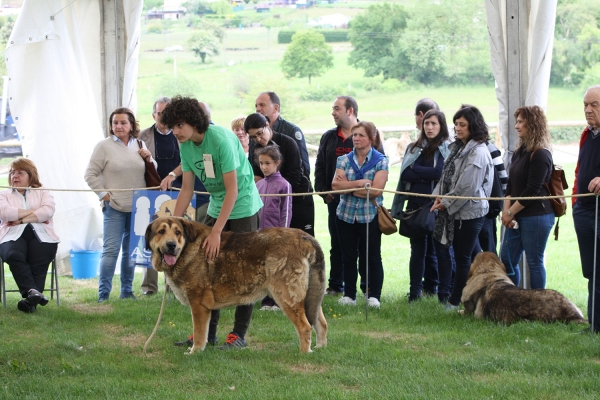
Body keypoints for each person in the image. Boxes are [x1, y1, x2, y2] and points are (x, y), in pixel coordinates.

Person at [161, 95, 262, 350]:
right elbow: (186, 189)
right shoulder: (185, 144)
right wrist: (174, 222)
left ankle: (238, 334)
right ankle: (207, 334)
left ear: (195, 121)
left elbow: (233, 191)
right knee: (206, 268)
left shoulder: (221, 139)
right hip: (218, 204)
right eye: (173, 126)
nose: (176, 132)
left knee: (244, 271)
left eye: (180, 125)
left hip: (243, 204)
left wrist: (215, 232)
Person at [139, 97, 210, 296]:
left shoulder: (184, 138)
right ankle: (149, 288)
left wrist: (172, 174)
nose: (162, 117)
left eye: (166, 113)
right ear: (154, 114)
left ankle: (176, 285)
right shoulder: (142, 136)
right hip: (151, 194)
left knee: (178, 241)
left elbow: (189, 166)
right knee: (156, 238)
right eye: (159, 113)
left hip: (181, 194)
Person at [85, 107, 156, 303]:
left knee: (131, 251)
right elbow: (89, 174)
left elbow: (152, 170)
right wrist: (104, 195)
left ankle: (126, 291)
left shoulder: (139, 144)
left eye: (123, 122)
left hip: (138, 208)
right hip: (114, 207)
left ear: (132, 125)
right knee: (111, 251)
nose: (118, 126)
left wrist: (148, 158)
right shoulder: (103, 146)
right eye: (115, 123)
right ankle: (103, 294)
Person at [431, 105, 493, 310]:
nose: (458, 128)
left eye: (462, 124)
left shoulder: (479, 152)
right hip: (455, 210)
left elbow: (468, 186)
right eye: (456, 124)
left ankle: (455, 300)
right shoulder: (456, 147)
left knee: (462, 257)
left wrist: (445, 203)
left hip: (471, 213)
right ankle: (479, 295)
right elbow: (445, 177)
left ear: (473, 126)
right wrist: (437, 197)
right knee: (474, 257)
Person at [393, 109, 454, 304]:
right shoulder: (413, 147)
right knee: (417, 251)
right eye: (426, 123)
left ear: (441, 126)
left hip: (438, 206)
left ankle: (444, 294)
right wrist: (422, 172)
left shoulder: (447, 148)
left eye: (433, 123)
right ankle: (414, 293)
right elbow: (406, 175)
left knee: (441, 251)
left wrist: (417, 170)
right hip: (415, 206)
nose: (429, 127)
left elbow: (439, 173)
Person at [332, 121, 389, 309]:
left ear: (371, 138)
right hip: (345, 215)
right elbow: (335, 186)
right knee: (348, 256)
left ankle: (373, 295)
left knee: (372, 256)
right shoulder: (344, 159)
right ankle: (349, 294)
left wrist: (349, 185)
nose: (356, 138)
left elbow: (376, 191)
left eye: (361, 135)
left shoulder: (381, 160)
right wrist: (362, 183)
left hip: (370, 215)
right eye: (354, 135)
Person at [499, 106, 555, 288]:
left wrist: (510, 212)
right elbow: (510, 186)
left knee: (534, 263)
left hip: (537, 216)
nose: (516, 126)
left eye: (521, 121)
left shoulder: (541, 154)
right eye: (517, 121)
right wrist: (507, 211)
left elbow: (532, 190)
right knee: (506, 260)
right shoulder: (519, 152)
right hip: (516, 215)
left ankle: (539, 308)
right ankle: (513, 302)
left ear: (533, 124)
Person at [0, 158, 59, 313]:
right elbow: (5, 213)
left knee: (39, 259)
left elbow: (48, 211)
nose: (15, 176)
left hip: (42, 234)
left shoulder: (43, 192)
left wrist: (20, 220)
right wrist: (36, 212)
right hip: (11, 235)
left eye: (20, 172)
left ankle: (30, 300)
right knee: (13, 254)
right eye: (12, 172)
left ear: (31, 175)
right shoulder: (4, 194)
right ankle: (33, 295)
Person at [315, 96, 358, 296]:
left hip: (360, 201)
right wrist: (324, 192)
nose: (333, 112)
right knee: (337, 244)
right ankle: (335, 285)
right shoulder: (329, 137)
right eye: (333, 109)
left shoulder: (367, 133)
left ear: (350, 111)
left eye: (337, 109)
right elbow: (321, 165)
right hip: (335, 201)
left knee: (363, 246)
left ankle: (367, 289)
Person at [244, 112, 315, 237]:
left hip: (298, 200)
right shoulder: (255, 148)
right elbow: (255, 176)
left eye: (260, 133)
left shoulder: (288, 143)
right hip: (271, 204)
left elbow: (295, 176)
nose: (258, 139)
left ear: (267, 125)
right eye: (253, 137)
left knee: (301, 243)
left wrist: (274, 184)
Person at [573, 85, 600, 333]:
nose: (588, 110)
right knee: (591, 271)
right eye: (585, 105)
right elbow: (579, 169)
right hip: (584, 209)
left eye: (594, 105)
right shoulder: (587, 134)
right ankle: (594, 324)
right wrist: (574, 202)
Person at [255, 145, 292, 311]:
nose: (264, 167)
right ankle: (266, 300)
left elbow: (286, 211)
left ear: (277, 163)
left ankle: (277, 301)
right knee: (263, 268)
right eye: (261, 163)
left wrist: (283, 235)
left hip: (276, 236)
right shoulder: (259, 185)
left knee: (277, 269)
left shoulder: (284, 185)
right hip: (260, 235)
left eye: (267, 163)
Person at [254, 91, 310, 175]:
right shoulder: (254, 134)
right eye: (256, 106)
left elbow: (303, 168)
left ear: (276, 108)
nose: (257, 109)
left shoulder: (291, 131)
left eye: (262, 105)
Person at [478, 141, 508, 254]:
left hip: (488, 209)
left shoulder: (489, 148)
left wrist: (502, 205)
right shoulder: (458, 147)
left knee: (489, 251)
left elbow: (503, 178)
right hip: (467, 209)